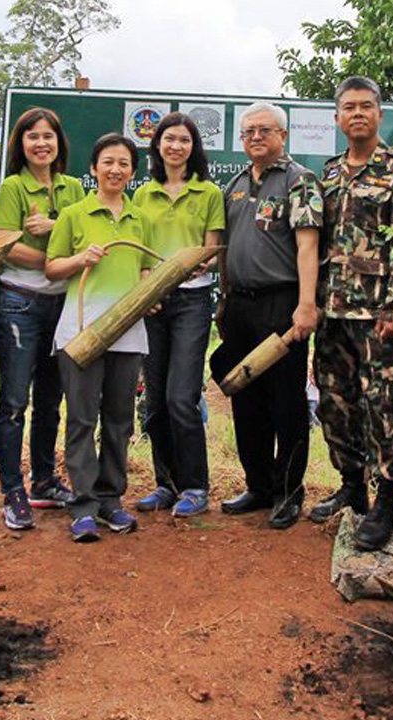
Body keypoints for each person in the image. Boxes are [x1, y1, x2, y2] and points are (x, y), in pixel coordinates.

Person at [310, 77, 393, 550]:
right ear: (337, 119)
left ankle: (387, 502)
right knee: (335, 405)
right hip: (333, 312)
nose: (357, 114)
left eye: (366, 107)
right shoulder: (331, 172)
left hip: (380, 314)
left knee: (384, 408)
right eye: (348, 108)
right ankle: (353, 489)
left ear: (380, 115)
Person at [216, 102, 323, 530]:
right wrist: (223, 301)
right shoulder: (236, 184)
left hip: (283, 304)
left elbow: (308, 246)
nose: (256, 137)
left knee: (286, 404)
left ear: (283, 135)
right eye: (248, 132)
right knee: (246, 399)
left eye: (264, 130)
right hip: (239, 305)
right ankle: (258, 485)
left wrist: (307, 304)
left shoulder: (300, 180)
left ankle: (287, 492)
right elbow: (225, 250)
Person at [45, 134, 156, 543]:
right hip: (80, 333)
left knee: (119, 421)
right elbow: (52, 268)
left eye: (124, 163)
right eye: (107, 162)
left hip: (128, 335)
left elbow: (144, 268)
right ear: (93, 169)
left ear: (132, 170)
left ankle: (112, 500)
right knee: (80, 419)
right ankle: (84, 505)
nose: (115, 170)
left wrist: (150, 291)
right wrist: (80, 259)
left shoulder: (139, 219)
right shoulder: (75, 214)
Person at [0, 108, 84, 531]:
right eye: (32, 137)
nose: (41, 143)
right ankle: (12, 491)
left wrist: (58, 225)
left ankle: (43, 479)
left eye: (48, 136)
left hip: (64, 304)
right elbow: (5, 244)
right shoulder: (13, 187)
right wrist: (58, 258)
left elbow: (87, 237)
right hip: (20, 302)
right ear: (21, 144)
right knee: (14, 401)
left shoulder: (75, 188)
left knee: (51, 399)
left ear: (59, 143)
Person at [132, 112, 225, 518]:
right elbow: (135, 251)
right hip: (152, 303)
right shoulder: (142, 195)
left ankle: (194, 486)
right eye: (168, 139)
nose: (176, 146)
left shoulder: (209, 193)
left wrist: (196, 263)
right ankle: (164, 484)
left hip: (192, 302)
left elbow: (212, 248)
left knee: (181, 398)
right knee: (154, 402)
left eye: (184, 140)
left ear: (194, 148)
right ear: (157, 146)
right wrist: (148, 282)